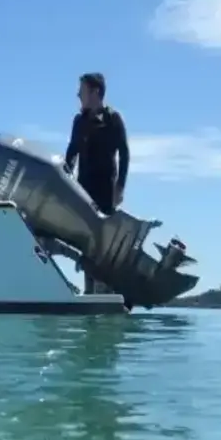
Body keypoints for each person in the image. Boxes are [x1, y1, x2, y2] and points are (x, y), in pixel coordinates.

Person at [63, 72, 130, 293]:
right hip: (83, 191)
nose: (77, 95)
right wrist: (65, 177)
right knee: (86, 241)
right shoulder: (79, 121)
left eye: (81, 91)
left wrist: (120, 187)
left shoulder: (113, 119)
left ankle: (107, 289)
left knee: (103, 243)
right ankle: (89, 289)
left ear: (95, 92)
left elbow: (124, 153)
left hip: (105, 191)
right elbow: (72, 153)